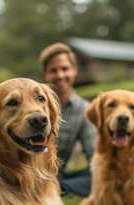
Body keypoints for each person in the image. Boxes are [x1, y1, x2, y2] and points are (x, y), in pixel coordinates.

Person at [39, 43, 96, 196]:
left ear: (74, 70)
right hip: (24, 171)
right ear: (45, 74)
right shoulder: (32, 105)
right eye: (53, 70)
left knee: (100, 174)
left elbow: (94, 155)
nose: (60, 75)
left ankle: (59, 189)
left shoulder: (85, 110)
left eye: (64, 69)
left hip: (57, 176)